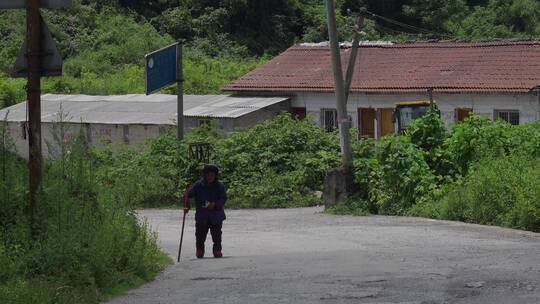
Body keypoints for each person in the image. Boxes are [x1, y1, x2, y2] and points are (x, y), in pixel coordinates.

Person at [184, 164, 227, 259]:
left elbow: (223, 198)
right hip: (202, 215)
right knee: (200, 235)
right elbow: (187, 194)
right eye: (208, 175)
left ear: (216, 175)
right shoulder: (198, 185)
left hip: (216, 215)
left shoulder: (219, 186)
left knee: (217, 236)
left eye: (212, 175)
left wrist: (215, 204)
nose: (210, 177)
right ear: (205, 175)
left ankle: (217, 250)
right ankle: (200, 250)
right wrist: (186, 206)